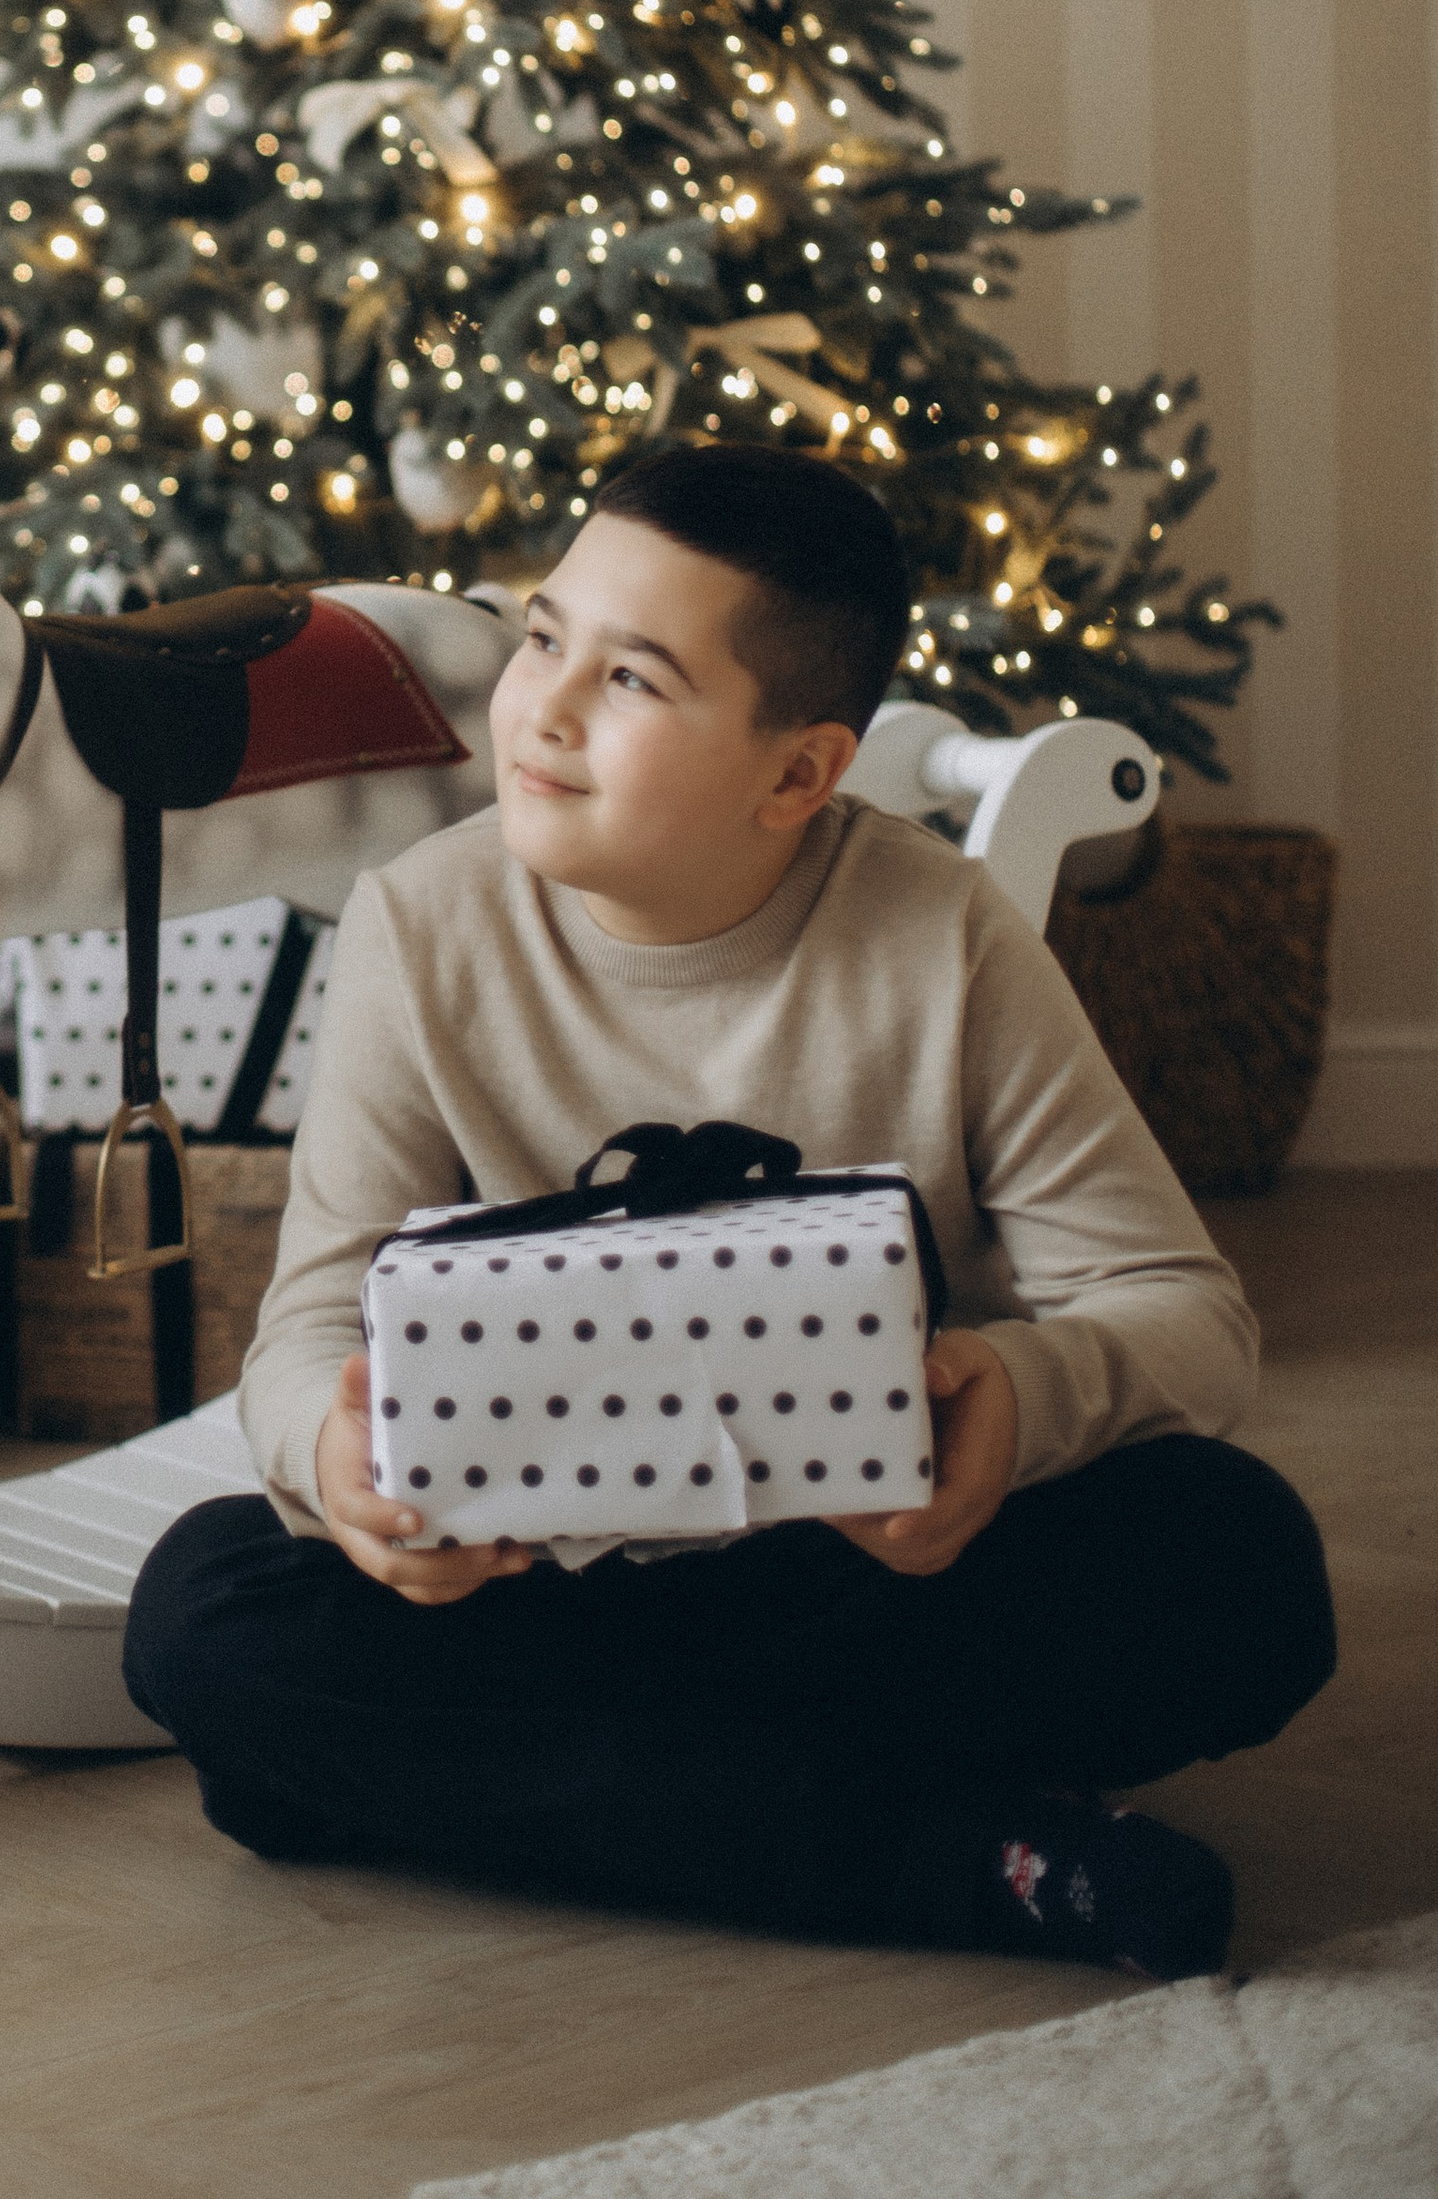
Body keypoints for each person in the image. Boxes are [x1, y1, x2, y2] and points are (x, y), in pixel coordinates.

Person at [123, 445, 1335, 1976]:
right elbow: (305, 1328)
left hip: (858, 1582)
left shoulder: (943, 935)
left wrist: (1017, 1399)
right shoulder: (420, 921)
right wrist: (339, 1462)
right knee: (201, 1611)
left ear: (798, 775)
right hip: (541, 1583)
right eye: (544, 636)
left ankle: (515, 1791)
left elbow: (1190, 1315)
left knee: (1240, 1558)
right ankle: (976, 1859)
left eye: (631, 677)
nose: (543, 707)